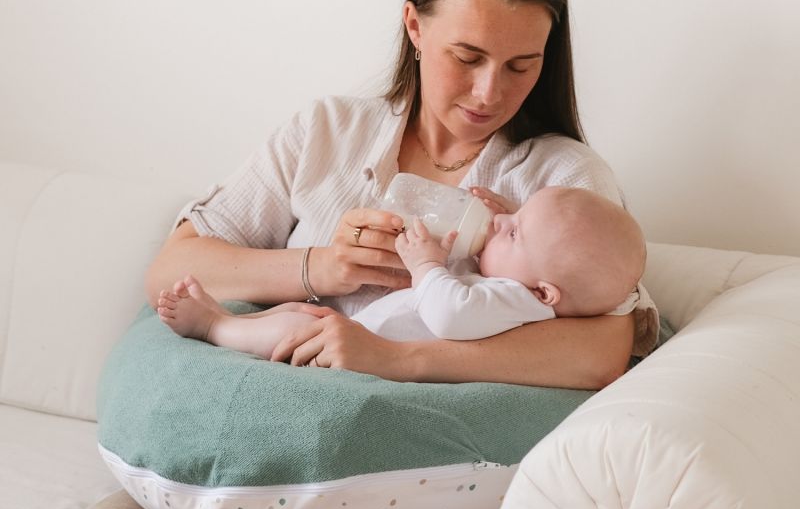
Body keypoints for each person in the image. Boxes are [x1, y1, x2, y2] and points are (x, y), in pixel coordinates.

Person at [0, 0, 659, 509]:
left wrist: (399, 356)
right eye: (467, 57)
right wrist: (316, 265)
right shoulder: (325, 135)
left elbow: (603, 350)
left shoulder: (559, 182)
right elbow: (175, 267)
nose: (490, 92)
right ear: (414, 26)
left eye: (522, 64)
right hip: (266, 473)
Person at [155, 185, 647, 354]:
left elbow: (452, 314)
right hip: (357, 332)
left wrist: (428, 264)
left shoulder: (516, 301)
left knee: (294, 328)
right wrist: (506, 235)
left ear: (545, 293)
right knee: (290, 314)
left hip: (358, 344)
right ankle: (232, 321)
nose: (499, 218)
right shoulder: (521, 291)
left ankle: (218, 327)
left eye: (513, 230)